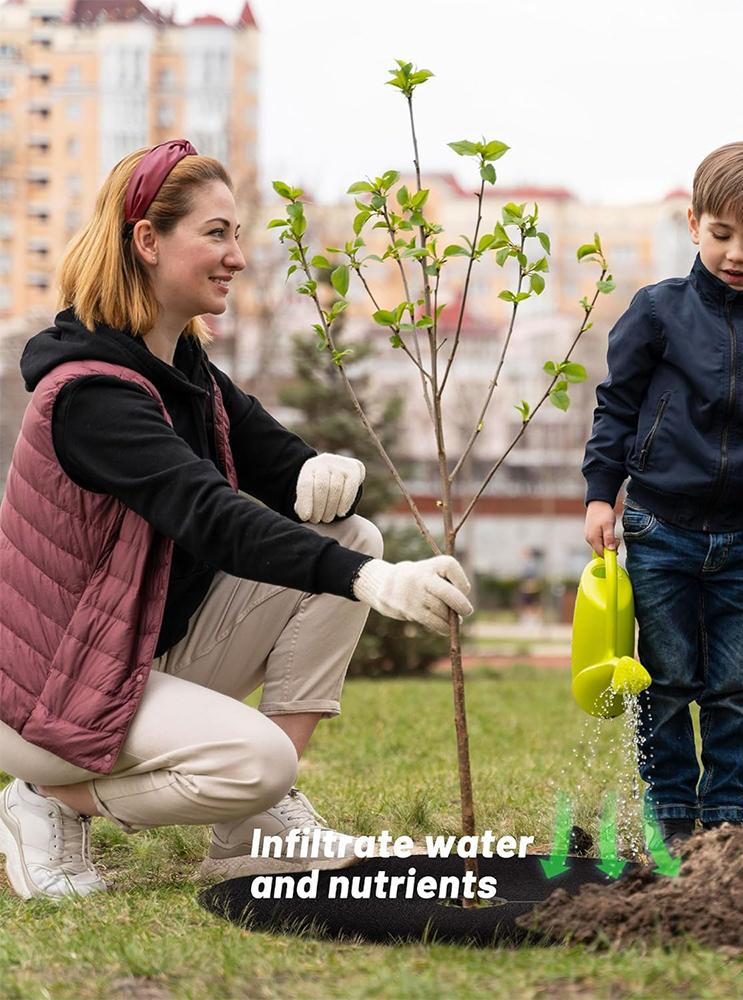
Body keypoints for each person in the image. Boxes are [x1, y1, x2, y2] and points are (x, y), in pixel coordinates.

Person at [0, 139, 474, 901]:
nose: (238, 257)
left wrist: (326, 472)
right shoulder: (89, 396)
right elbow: (211, 516)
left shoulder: (188, 373)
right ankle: (46, 801)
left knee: (352, 536)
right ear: (149, 242)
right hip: (52, 691)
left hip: (133, 654)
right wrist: (371, 582)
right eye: (216, 233)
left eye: (238, 234)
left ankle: (255, 826)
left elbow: (281, 469)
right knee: (256, 760)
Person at [582, 142, 743, 846]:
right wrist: (603, 492)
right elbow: (617, 406)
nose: (736, 254)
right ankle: (671, 815)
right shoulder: (656, 313)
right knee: (666, 682)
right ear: (694, 223)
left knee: (729, 685)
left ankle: (725, 816)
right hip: (660, 530)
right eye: (722, 234)